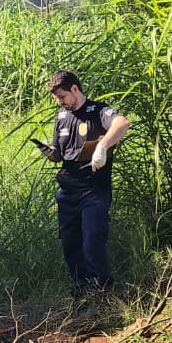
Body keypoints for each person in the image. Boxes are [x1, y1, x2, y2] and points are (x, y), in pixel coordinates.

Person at [37, 70, 130, 297]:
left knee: (92, 242)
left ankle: (103, 293)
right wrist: (49, 153)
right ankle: (81, 292)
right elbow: (60, 154)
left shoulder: (98, 111)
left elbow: (122, 123)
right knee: (71, 245)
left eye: (62, 97)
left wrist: (102, 146)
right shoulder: (61, 118)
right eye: (57, 99)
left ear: (75, 89)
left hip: (93, 191)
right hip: (68, 192)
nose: (60, 103)